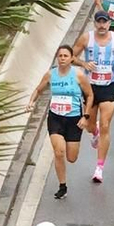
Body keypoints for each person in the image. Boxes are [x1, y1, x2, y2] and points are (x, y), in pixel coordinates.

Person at [34, 42, 92, 201]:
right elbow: (39, 89)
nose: (62, 59)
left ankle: (93, 132)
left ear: (72, 58)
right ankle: (62, 186)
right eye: (60, 56)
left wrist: (86, 116)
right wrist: (31, 102)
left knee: (71, 158)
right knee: (58, 152)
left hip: (74, 119)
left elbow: (90, 95)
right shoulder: (50, 74)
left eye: (65, 56)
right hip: (56, 118)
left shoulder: (78, 75)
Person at [79, 10, 114, 181]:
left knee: (105, 125)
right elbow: (72, 56)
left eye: (105, 22)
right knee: (89, 126)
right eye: (99, 22)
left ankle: (99, 168)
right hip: (90, 87)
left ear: (109, 23)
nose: (102, 25)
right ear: (95, 23)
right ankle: (94, 131)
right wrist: (84, 63)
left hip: (109, 86)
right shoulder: (86, 38)